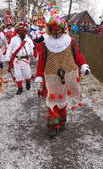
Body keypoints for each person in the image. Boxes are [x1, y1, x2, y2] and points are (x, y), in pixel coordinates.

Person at [35, 8, 90, 138]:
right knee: (53, 100)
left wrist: (83, 66)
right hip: (51, 75)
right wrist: (39, 76)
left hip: (69, 74)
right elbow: (41, 61)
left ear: (62, 29)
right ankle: (53, 125)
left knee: (63, 98)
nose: (56, 32)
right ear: (50, 29)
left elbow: (77, 55)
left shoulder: (69, 41)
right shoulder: (45, 43)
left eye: (58, 29)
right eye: (54, 29)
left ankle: (63, 119)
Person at [5, 23, 34, 95]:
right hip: (17, 60)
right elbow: (9, 49)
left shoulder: (29, 40)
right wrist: (7, 58)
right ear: (17, 31)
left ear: (26, 31)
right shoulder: (13, 39)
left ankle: (28, 83)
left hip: (26, 60)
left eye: (23, 31)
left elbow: (31, 49)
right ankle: (20, 88)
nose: (22, 32)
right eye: (20, 31)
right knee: (18, 76)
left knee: (27, 75)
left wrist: (32, 55)